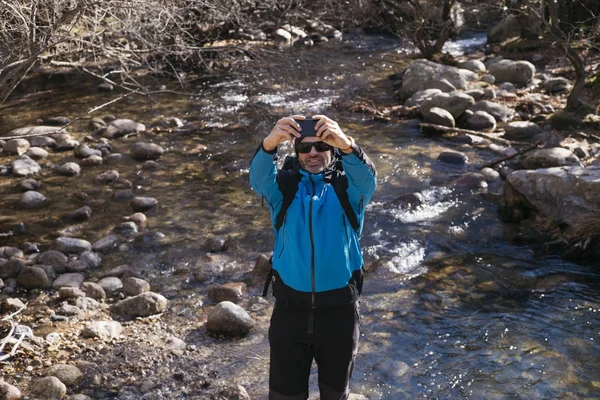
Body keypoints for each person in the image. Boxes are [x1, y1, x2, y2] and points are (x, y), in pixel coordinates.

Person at [249, 114, 377, 400]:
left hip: (339, 314)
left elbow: (368, 179)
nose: (313, 153)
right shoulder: (283, 188)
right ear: (296, 152)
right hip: (290, 313)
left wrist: (346, 144)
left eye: (321, 146)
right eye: (305, 148)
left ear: (331, 150)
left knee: (335, 395)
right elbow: (258, 179)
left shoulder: (349, 189)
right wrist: (270, 143)